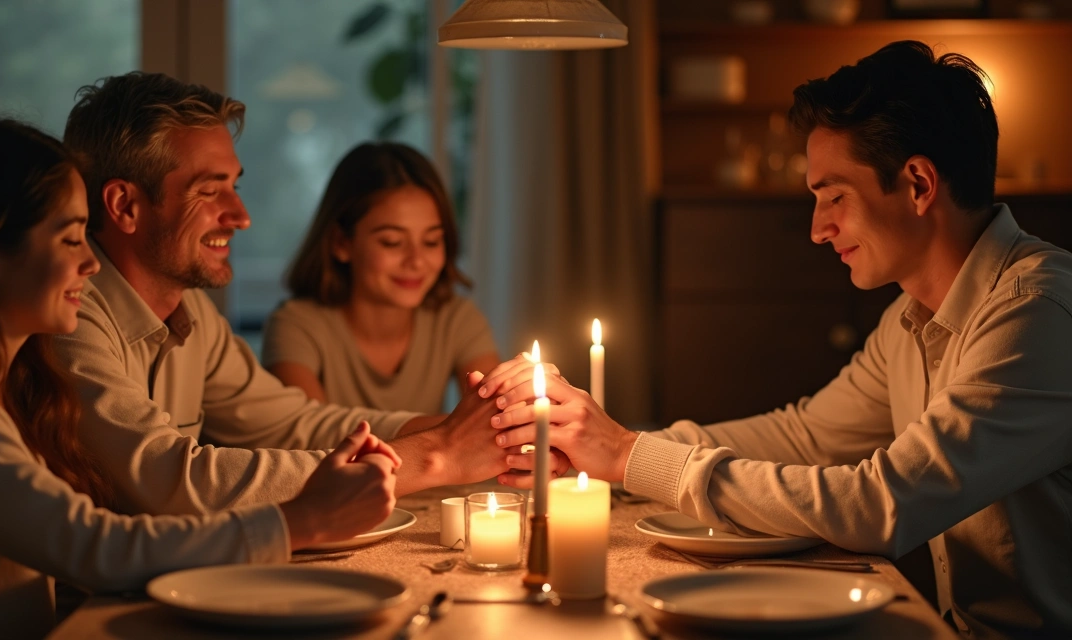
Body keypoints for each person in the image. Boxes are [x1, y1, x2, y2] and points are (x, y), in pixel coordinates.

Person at [496, 41, 1072, 637]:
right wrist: (616, 449)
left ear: (919, 184)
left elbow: (880, 505)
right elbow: (806, 436)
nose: (819, 230)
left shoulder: (1037, 314)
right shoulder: (912, 317)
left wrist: (625, 455)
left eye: (834, 197)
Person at [0, 113, 402, 639]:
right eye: (70, 239)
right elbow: (97, 548)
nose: (91, 264)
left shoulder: (5, 391)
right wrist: (300, 521)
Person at [58, 72, 558, 518]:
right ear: (125, 205)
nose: (240, 215)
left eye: (235, 186)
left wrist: (470, 426)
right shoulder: (69, 316)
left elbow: (294, 423)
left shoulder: (193, 318)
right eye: (210, 191)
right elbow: (174, 481)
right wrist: (438, 453)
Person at [264, 141, 499, 414]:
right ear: (341, 243)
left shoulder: (457, 318)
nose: (417, 261)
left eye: (432, 241)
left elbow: (495, 419)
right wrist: (452, 433)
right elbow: (310, 434)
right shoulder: (296, 326)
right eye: (392, 242)